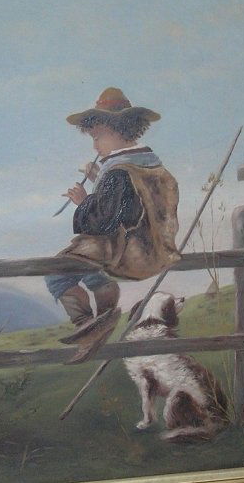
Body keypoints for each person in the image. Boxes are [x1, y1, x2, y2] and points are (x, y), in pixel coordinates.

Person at [47, 87, 180, 362]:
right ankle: (103, 319)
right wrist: (100, 179)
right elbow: (130, 204)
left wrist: (83, 201)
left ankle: (88, 325)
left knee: (56, 273)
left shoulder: (119, 172)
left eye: (98, 137)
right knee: (89, 265)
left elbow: (104, 222)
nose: (95, 146)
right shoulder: (150, 165)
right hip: (154, 248)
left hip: (127, 251)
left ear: (119, 131)